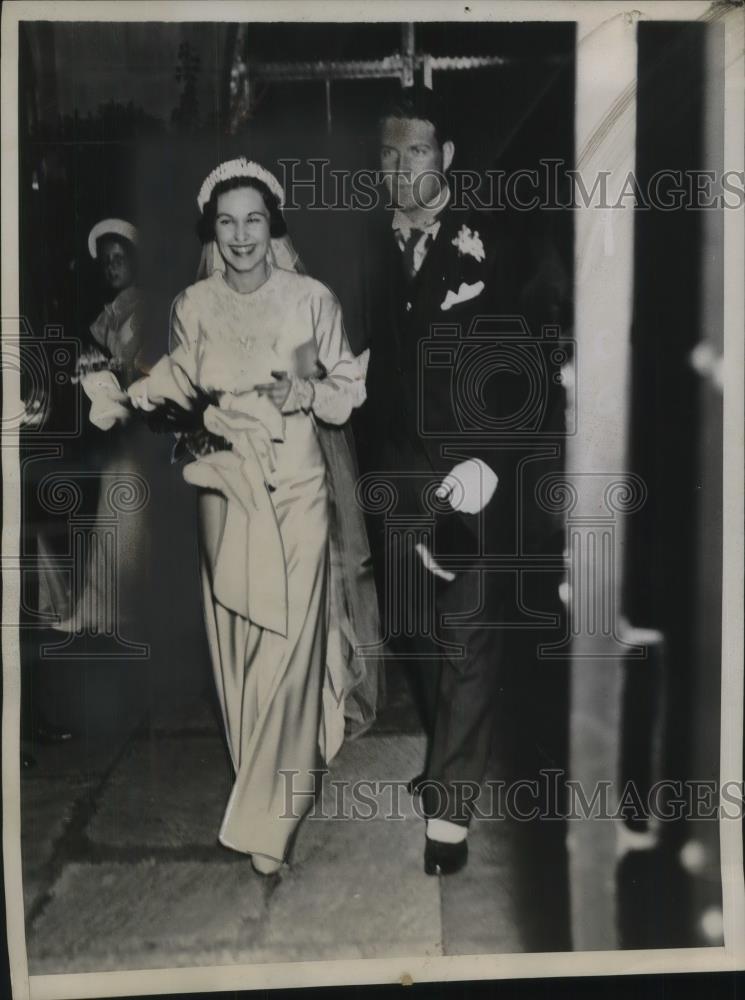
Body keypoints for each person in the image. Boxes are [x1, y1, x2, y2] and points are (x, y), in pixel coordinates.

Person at [128, 158, 379, 876]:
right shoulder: (193, 305)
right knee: (237, 641)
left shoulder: (308, 300)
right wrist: (136, 396)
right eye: (227, 222)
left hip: (296, 487)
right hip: (223, 490)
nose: (241, 237)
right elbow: (175, 380)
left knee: (291, 640)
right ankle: (257, 774)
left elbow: (339, 387)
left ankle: (275, 817)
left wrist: (309, 392)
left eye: (255, 220)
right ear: (214, 228)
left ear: (274, 226)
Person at [356, 88, 566, 875]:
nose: (398, 166)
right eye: (387, 152)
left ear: (445, 159)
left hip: (472, 473)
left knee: (469, 637)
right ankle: (449, 748)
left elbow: (541, 354)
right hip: (393, 479)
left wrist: (493, 456)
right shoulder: (367, 243)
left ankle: (450, 809)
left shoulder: (504, 237)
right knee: (413, 629)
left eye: (415, 151)